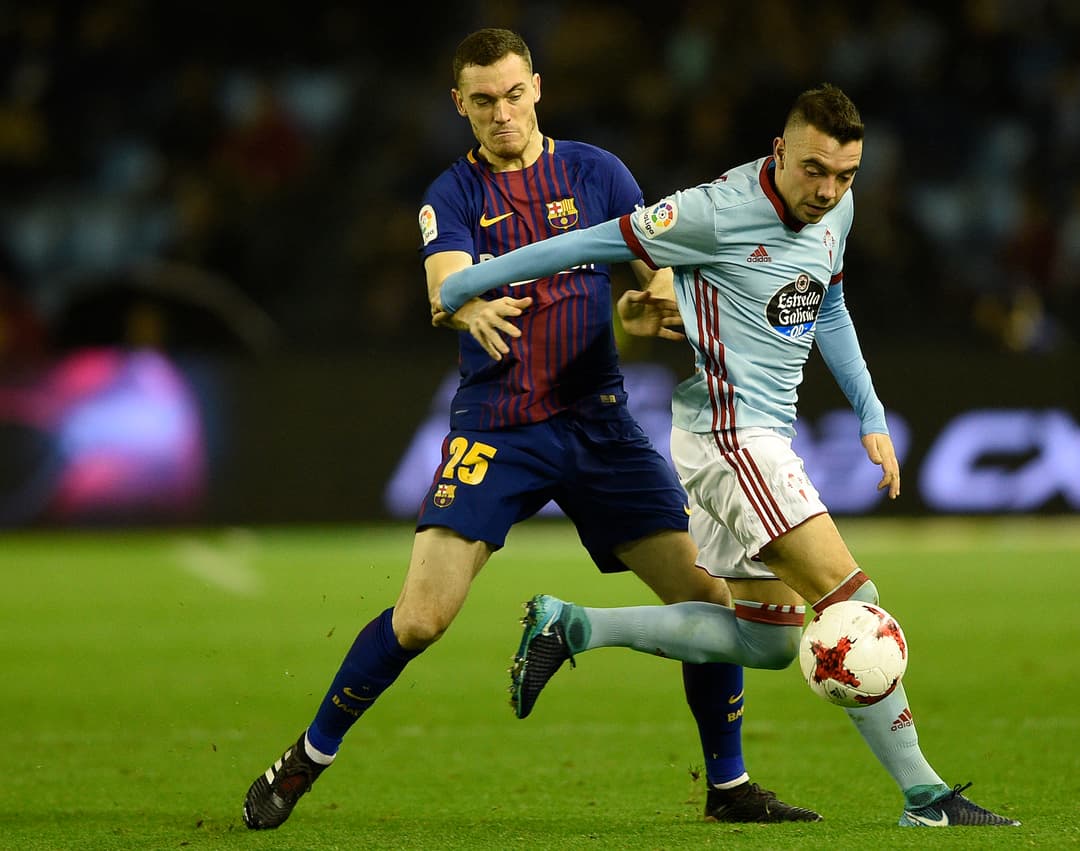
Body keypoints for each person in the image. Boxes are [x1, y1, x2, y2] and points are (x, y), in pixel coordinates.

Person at [241, 28, 819, 830]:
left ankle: (728, 784)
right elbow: (443, 284)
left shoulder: (597, 172)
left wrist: (660, 307)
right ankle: (308, 755)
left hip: (599, 424)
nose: (501, 114)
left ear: (537, 87)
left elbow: (660, 283)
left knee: (707, 600)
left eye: (513, 95)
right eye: (483, 101)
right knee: (420, 618)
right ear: (460, 104)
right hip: (501, 424)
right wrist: (468, 303)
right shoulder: (452, 194)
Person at [435, 83, 1021, 828]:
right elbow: (594, 241)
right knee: (855, 606)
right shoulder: (713, 210)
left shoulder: (835, 208)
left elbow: (828, 302)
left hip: (760, 436)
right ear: (781, 150)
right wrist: (473, 279)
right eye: (814, 170)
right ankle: (926, 797)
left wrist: (868, 408)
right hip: (731, 438)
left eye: (845, 175)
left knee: (766, 642)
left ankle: (573, 625)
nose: (829, 189)